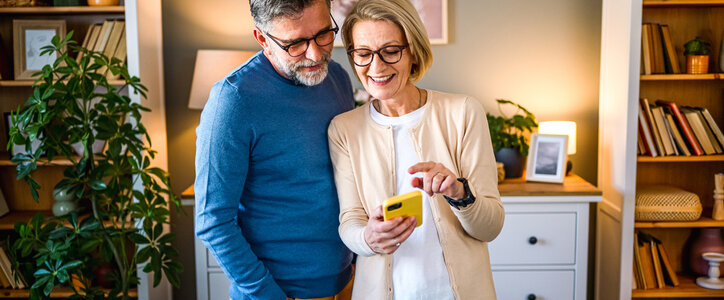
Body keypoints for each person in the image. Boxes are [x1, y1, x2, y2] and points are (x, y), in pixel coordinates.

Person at [327, 0, 505, 299]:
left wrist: (460, 193)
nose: (377, 66)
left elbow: (490, 228)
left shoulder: (462, 112)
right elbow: (351, 220)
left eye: (391, 51)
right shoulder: (344, 129)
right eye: (363, 53)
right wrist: (367, 238)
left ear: (413, 51)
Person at [194, 0, 354, 299]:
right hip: (279, 292)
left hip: (347, 283)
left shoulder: (337, 78)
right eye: (295, 43)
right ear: (262, 39)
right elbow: (213, 221)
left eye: (323, 33)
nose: (316, 53)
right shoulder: (233, 101)